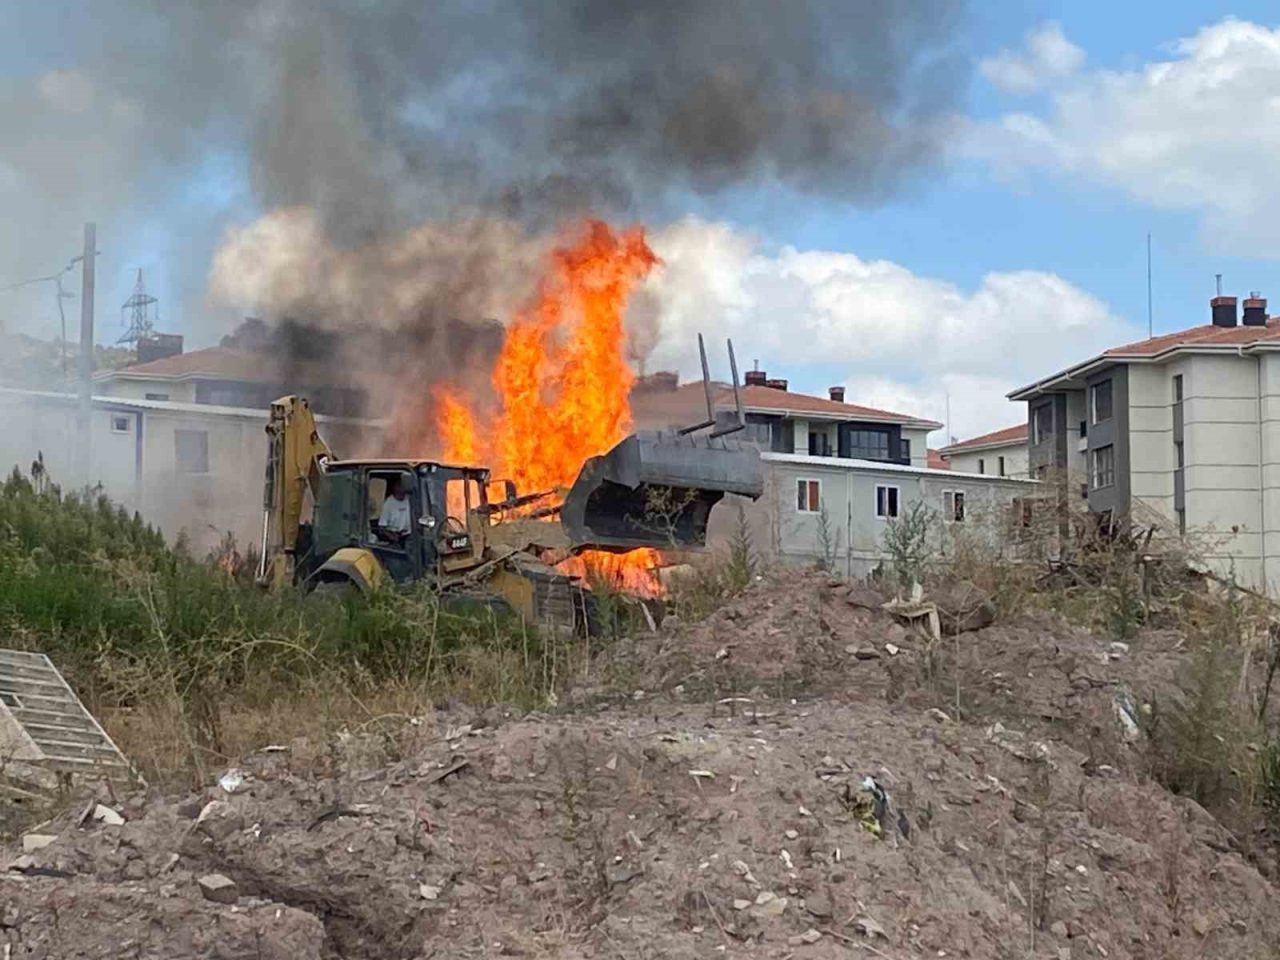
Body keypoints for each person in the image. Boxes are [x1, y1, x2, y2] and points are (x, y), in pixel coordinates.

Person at [377, 475, 412, 543]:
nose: (403, 487)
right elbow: (381, 527)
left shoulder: (410, 499)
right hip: (394, 537)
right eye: (400, 485)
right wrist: (391, 536)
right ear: (395, 487)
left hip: (410, 536)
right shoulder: (388, 503)